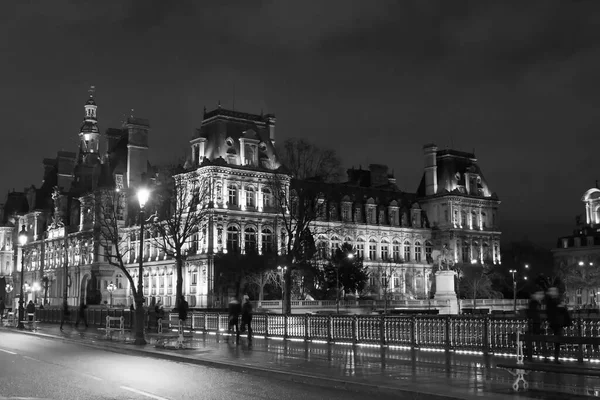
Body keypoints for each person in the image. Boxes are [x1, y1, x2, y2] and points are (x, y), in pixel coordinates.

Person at [545, 286, 571, 364]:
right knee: (555, 341)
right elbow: (552, 312)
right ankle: (553, 358)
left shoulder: (554, 300)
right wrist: (560, 307)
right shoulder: (551, 301)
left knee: (556, 341)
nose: (555, 292)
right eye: (553, 291)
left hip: (556, 323)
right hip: (555, 323)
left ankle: (553, 357)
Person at [525, 291, 544, 361]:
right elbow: (535, 313)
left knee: (533, 338)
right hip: (535, 322)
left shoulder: (533, 302)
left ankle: (532, 353)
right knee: (536, 337)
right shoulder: (535, 303)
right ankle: (536, 352)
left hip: (533, 322)